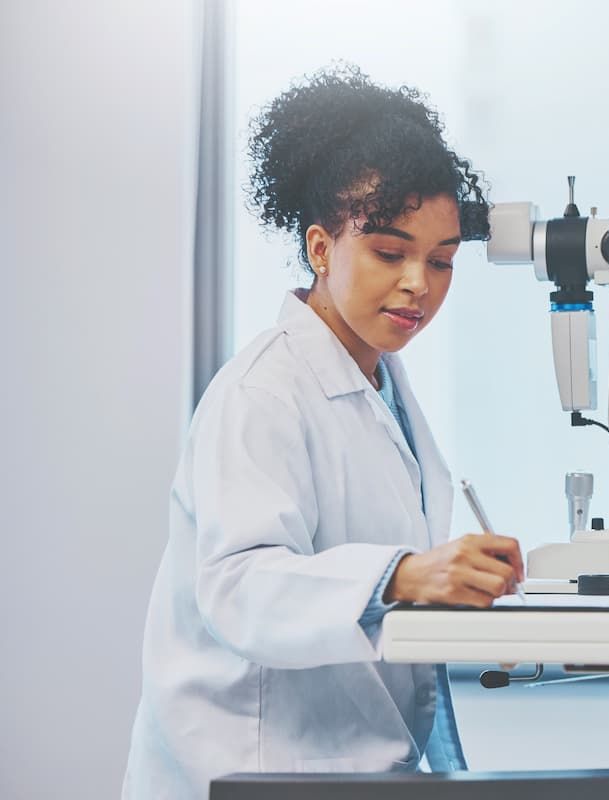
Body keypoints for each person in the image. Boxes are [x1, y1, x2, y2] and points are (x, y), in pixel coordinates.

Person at [123, 66, 524, 799]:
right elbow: (240, 588)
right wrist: (404, 575)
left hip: (337, 763)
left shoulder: (380, 382)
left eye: (441, 262)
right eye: (389, 252)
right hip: (249, 761)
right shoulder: (262, 393)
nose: (418, 285)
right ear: (319, 248)